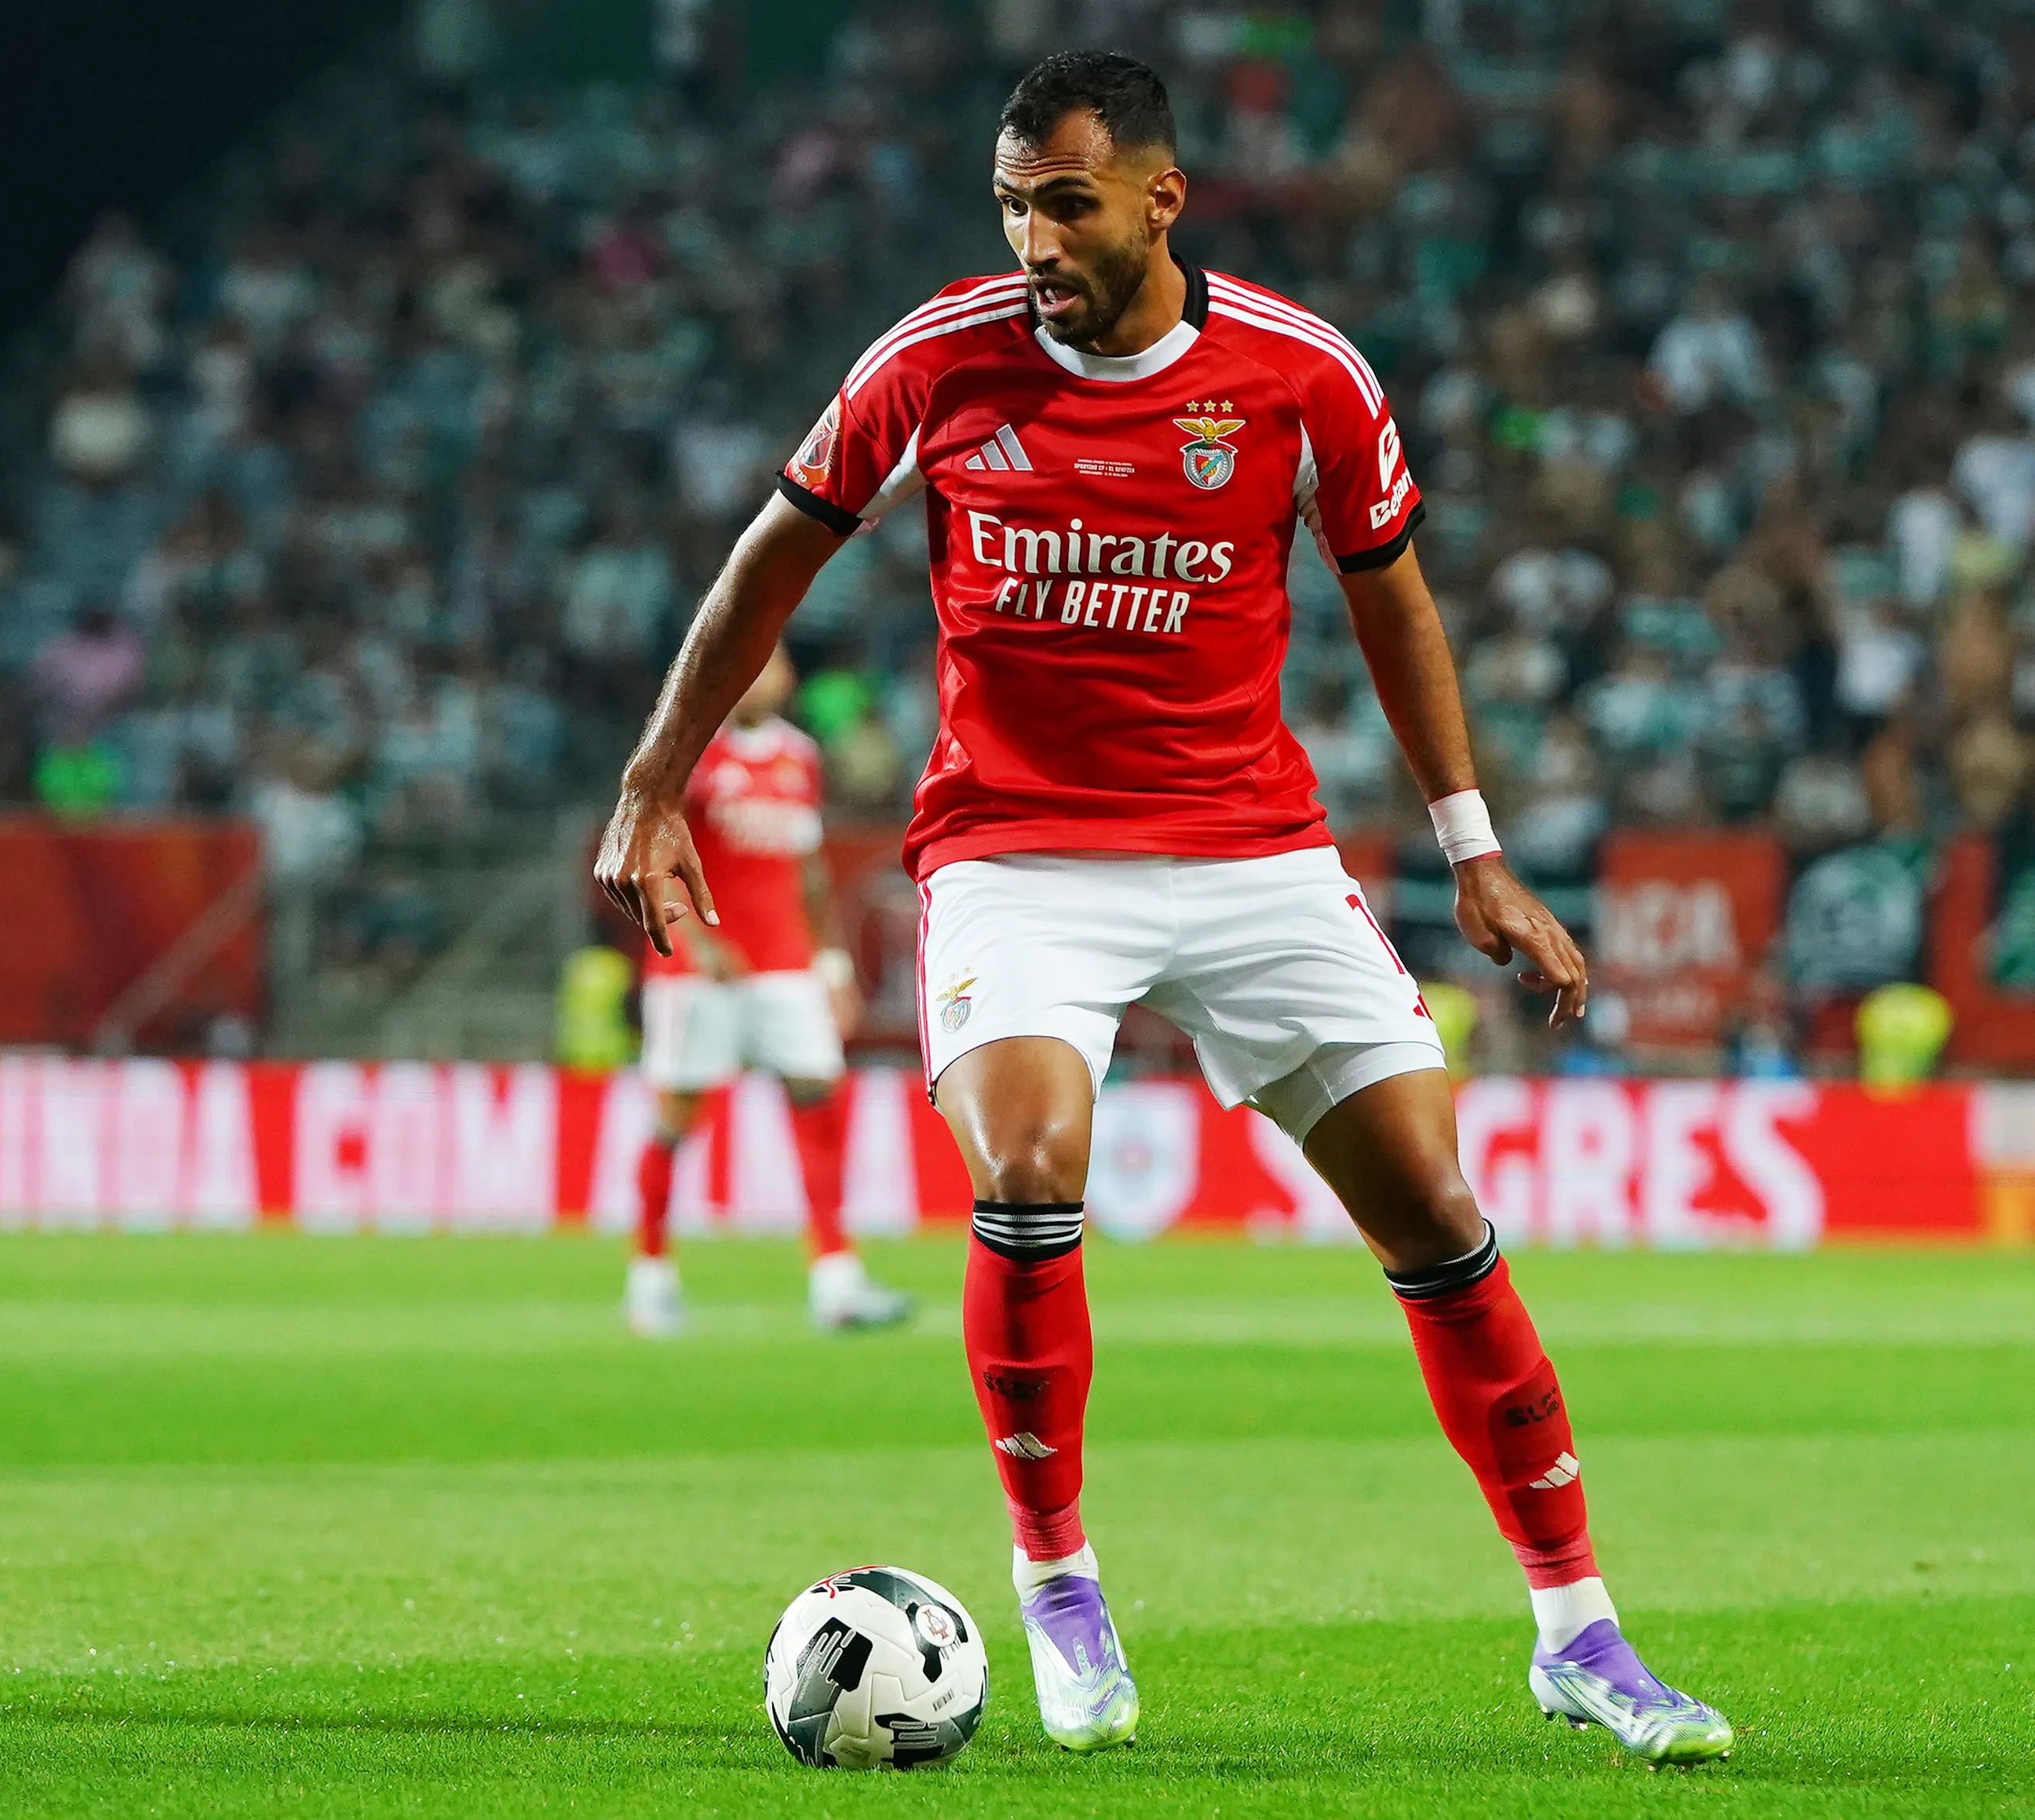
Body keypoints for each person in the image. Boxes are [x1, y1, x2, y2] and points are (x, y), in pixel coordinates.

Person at [595, 51, 1730, 1768]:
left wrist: (1472, 844)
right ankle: (1056, 1577)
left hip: (1252, 851)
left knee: (1431, 1209)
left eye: (1060, 199)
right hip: (1016, 850)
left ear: (1155, 196)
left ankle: (1577, 1629)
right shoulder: (934, 361)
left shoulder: (1298, 374)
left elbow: (1392, 602)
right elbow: (774, 550)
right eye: (1010, 204)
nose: (1032, 237)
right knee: (1030, 1163)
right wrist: (651, 776)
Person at [624, 647, 914, 1337]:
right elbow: (651, 853)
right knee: (678, 1113)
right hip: (699, 969)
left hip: (784, 960)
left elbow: (808, 868)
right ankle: (651, 1273)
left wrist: (832, 963)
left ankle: (836, 1279)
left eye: (774, 665)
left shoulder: (799, 756)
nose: (766, 676)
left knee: (818, 1097)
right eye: (751, 663)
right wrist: (694, 939)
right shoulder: (687, 748)